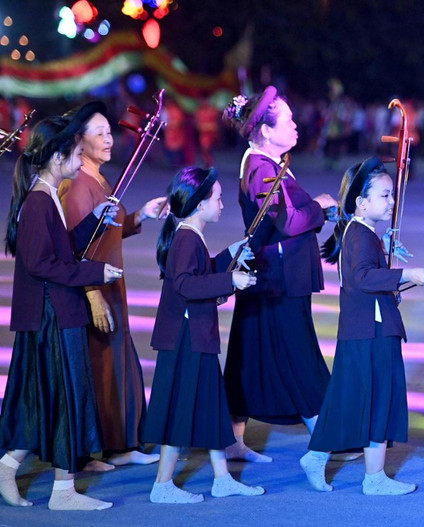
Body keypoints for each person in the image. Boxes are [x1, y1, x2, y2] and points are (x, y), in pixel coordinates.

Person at [0, 112, 123, 510]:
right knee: (65, 399)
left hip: (55, 312)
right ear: (56, 157)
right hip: (52, 315)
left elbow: (60, 249)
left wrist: (94, 222)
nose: (80, 157)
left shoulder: (46, 194)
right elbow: (42, 264)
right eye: (75, 152)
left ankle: (8, 468)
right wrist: (95, 272)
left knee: (45, 400)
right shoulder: (39, 200)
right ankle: (63, 492)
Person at [300, 157, 424, 495]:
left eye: (391, 195)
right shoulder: (360, 234)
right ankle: (371, 477)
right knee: (376, 398)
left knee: (354, 397)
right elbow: (362, 277)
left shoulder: (360, 233)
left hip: (363, 328)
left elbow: (364, 279)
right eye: (385, 195)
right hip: (369, 332)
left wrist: (391, 277)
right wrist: (407, 274)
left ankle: (322, 458)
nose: (391, 202)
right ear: (361, 202)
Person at [222, 87, 338, 462]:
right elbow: (287, 222)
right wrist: (319, 206)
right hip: (277, 278)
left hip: (271, 275)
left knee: (248, 355)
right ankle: (328, 437)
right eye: (287, 119)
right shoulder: (261, 168)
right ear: (266, 130)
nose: (295, 125)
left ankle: (232, 440)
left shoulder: (269, 163)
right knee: (300, 357)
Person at [143, 166, 264, 503]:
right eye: (218, 199)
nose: (222, 204)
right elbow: (185, 284)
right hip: (187, 337)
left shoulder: (189, 235)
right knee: (181, 408)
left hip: (196, 334)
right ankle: (162, 485)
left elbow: (199, 271)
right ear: (199, 204)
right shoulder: (186, 238)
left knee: (211, 404)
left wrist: (229, 256)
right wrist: (231, 280)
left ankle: (222, 478)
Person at [59, 101, 166, 469]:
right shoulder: (78, 185)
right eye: (100, 133)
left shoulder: (101, 180)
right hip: (94, 289)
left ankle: (120, 443)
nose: (109, 139)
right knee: (101, 367)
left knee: (117, 363)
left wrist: (141, 216)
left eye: (109, 132)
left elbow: (107, 233)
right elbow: (75, 249)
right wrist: (92, 296)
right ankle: (98, 447)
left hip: (110, 284)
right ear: (79, 140)